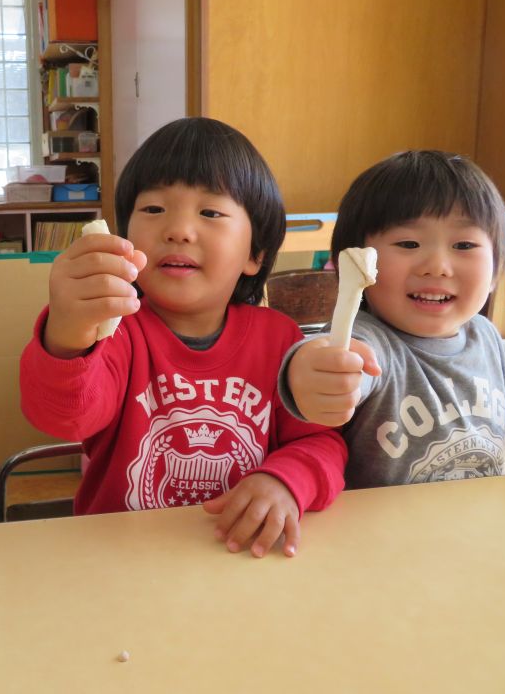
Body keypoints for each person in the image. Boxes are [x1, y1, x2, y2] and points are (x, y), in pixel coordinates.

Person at [19, 117, 347, 558]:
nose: (177, 230)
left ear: (255, 254)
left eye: (210, 213)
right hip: (121, 562)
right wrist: (68, 332)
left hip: (238, 555)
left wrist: (284, 480)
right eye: (153, 210)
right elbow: (65, 418)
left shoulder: (279, 338)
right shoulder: (114, 333)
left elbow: (320, 442)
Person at [281, 149, 505, 492]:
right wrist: (310, 372)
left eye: (464, 245)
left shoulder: (484, 335)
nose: (437, 266)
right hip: (385, 535)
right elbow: (339, 360)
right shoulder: (371, 341)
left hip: (472, 523)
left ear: (496, 268)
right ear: (355, 261)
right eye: (408, 243)